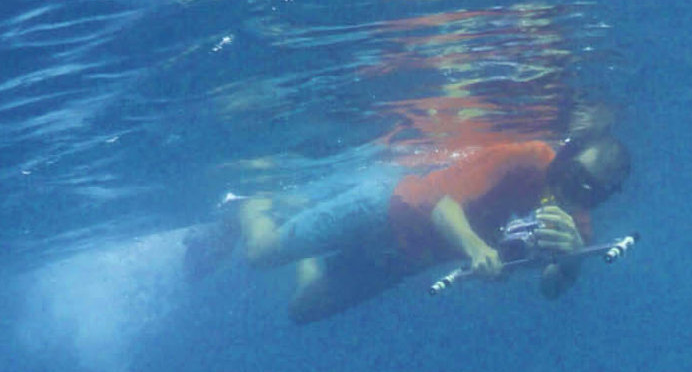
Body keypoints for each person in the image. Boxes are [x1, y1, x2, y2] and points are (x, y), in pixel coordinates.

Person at [187, 131, 631, 324]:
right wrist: (477, 249)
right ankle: (254, 201)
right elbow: (443, 207)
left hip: (405, 256)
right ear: (564, 154)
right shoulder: (522, 157)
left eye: (592, 193)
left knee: (302, 311)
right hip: (385, 206)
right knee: (260, 253)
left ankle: (302, 229)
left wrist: (571, 262)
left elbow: (552, 287)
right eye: (574, 178)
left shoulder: (576, 222)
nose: (577, 195)